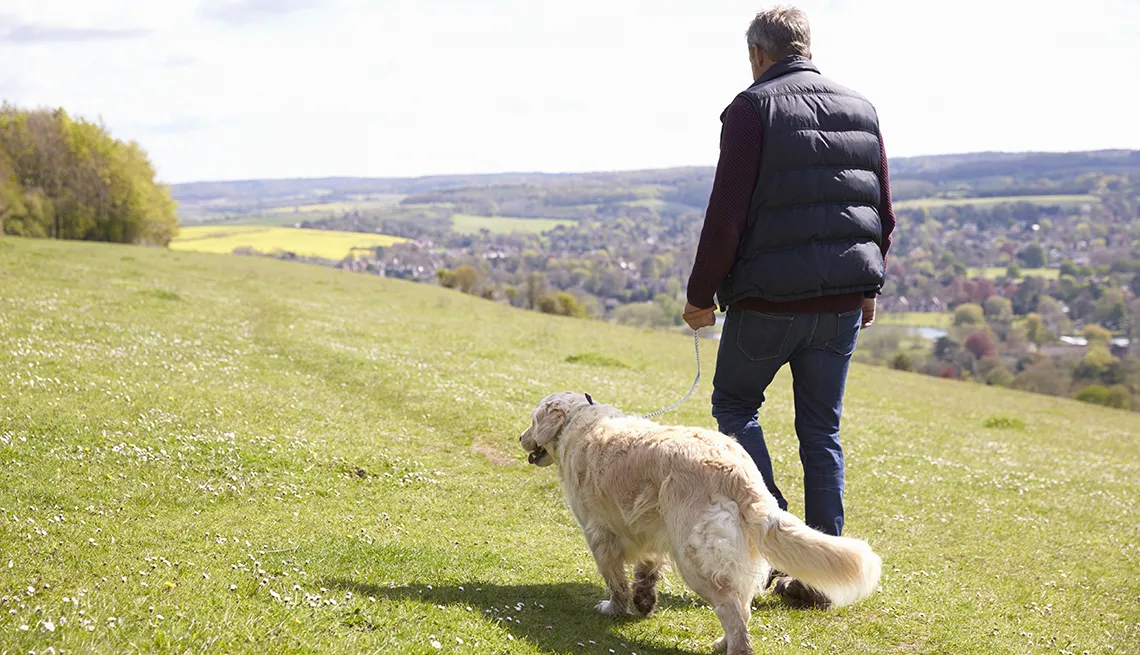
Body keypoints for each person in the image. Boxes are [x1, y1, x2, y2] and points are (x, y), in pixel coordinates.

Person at [682, 5, 896, 607]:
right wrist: (869, 289)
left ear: (758, 53)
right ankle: (825, 571)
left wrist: (701, 298)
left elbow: (725, 217)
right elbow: (881, 209)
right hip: (841, 306)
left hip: (769, 302)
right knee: (821, 431)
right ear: (806, 46)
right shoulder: (862, 107)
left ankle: (778, 542)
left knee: (734, 405)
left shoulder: (752, 109)